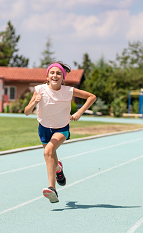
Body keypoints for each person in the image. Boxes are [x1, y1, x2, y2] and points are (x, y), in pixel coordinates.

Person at [24, 62, 96, 203]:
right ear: (47, 76)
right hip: (44, 127)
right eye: (52, 72)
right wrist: (34, 103)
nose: (55, 75)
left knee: (48, 151)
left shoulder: (68, 90)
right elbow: (26, 112)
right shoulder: (39, 90)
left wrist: (79, 112)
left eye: (58, 73)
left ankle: (52, 188)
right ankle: (58, 168)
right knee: (50, 157)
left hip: (61, 128)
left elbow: (91, 97)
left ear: (63, 78)